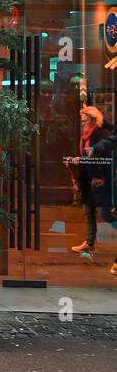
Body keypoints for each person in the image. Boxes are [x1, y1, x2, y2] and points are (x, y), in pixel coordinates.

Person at [71, 105, 117, 275]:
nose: (82, 123)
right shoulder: (87, 135)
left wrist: (98, 175)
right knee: (88, 209)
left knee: (105, 212)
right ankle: (89, 242)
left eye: (84, 120)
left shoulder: (100, 134)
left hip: (99, 179)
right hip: (88, 178)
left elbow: (102, 156)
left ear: (91, 119)